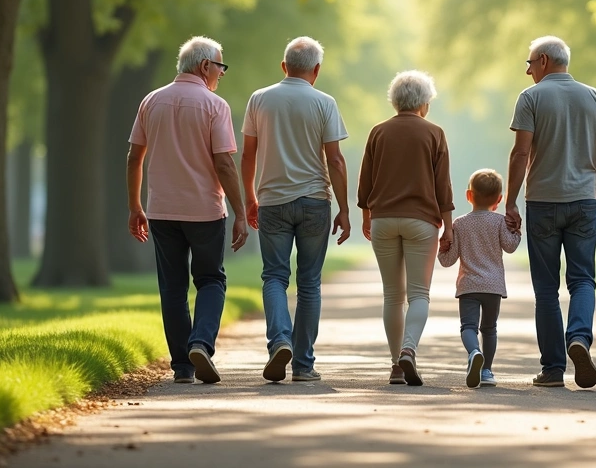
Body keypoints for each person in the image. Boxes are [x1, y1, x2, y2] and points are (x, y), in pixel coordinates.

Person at [127, 36, 249, 385]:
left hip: (162, 211)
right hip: (205, 210)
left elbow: (134, 157)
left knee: (172, 286)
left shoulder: (151, 101)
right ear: (205, 66)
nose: (222, 74)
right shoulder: (214, 105)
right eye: (220, 67)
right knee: (211, 279)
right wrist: (240, 211)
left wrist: (135, 206)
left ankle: (182, 365)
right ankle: (201, 343)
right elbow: (224, 163)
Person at [504, 36, 596, 389]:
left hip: (542, 202)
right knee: (583, 279)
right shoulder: (595, 96)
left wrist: (510, 201)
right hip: (585, 202)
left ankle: (553, 369)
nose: (527, 70)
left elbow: (520, 154)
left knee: (546, 289)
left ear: (543, 60)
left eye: (529, 63)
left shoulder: (531, 98)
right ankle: (579, 339)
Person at [241, 36, 351, 384]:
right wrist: (345, 209)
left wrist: (248, 198)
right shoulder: (325, 102)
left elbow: (247, 155)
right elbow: (334, 158)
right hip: (315, 202)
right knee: (309, 283)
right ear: (316, 70)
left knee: (274, 276)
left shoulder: (259, 99)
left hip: (272, 200)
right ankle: (303, 365)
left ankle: (279, 341)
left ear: (284, 66)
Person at [358, 70, 454, 386]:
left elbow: (366, 180)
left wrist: (366, 215)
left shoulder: (378, 132)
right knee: (419, 294)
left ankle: (396, 365)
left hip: (383, 219)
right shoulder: (434, 133)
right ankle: (409, 350)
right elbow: (443, 187)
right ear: (424, 103)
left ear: (395, 101)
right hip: (422, 221)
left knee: (392, 295)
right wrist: (448, 227)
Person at [437, 169, 522, 388]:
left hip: (468, 286)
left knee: (468, 327)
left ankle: (474, 352)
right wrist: (517, 231)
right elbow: (510, 247)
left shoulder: (460, 224)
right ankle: (486, 371)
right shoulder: (500, 222)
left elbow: (448, 260)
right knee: (490, 329)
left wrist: (442, 248)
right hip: (493, 286)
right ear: (499, 199)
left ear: (469, 195)